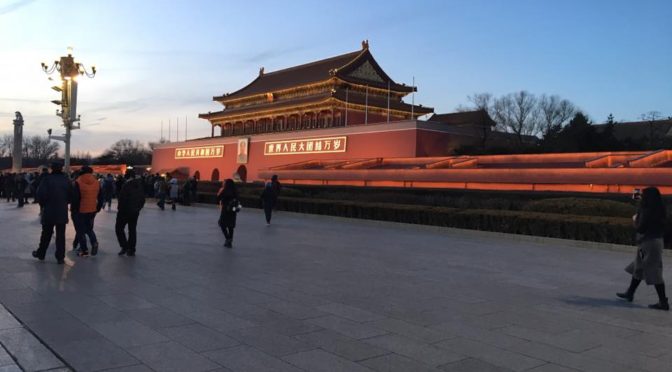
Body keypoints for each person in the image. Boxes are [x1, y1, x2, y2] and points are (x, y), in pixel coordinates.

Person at [617, 187, 668, 311]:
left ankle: (663, 302)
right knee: (639, 267)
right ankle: (630, 293)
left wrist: (635, 220)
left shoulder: (646, 210)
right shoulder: (660, 210)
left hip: (648, 244)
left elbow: (641, 228)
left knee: (653, 270)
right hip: (655, 242)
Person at [32, 162, 72, 264]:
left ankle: (41, 253)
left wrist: (43, 204)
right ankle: (60, 257)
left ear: (52, 169)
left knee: (46, 233)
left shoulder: (47, 179)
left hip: (49, 209)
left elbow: (40, 194)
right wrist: (64, 202)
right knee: (60, 235)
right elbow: (71, 195)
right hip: (62, 211)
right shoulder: (66, 180)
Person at [72, 166, 103, 257]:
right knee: (89, 228)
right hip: (92, 209)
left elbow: (75, 198)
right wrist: (98, 207)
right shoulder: (97, 182)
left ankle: (84, 250)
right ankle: (94, 242)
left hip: (80, 210)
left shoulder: (78, 182)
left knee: (80, 230)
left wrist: (74, 210)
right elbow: (101, 197)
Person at [115, 169, 145, 257]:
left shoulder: (126, 185)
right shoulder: (139, 185)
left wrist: (120, 209)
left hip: (124, 211)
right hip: (135, 212)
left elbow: (122, 199)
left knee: (119, 229)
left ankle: (124, 246)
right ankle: (131, 249)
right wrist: (138, 208)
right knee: (132, 230)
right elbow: (143, 199)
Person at [217, 179, 240, 248]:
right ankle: (230, 241)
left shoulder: (225, 190)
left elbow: (218, 198)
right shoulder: (235, 191)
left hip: (225, 210)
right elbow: (238, 201)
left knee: (222, 224)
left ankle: (227, 239)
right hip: (233, 211)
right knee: (230, 226)